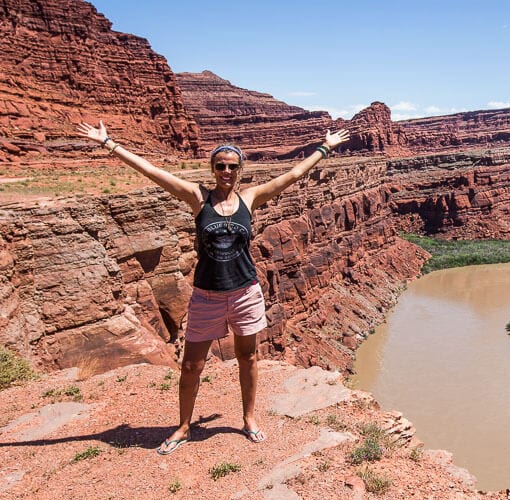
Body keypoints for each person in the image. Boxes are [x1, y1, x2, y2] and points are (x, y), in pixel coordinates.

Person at [77, 121, 350, 455]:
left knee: (247, 356)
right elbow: (153, 172)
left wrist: (326, 147)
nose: (226, 171)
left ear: (240, 171)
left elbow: (292, 176)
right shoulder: (197, 198)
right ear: (212, 169)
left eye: (232, 167)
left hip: (244, 292)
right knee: (192, 365)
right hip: (206, 294)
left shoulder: (250, 198)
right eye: (220, 166)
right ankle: (182, 426)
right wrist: (109, 143)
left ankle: (248, 419)